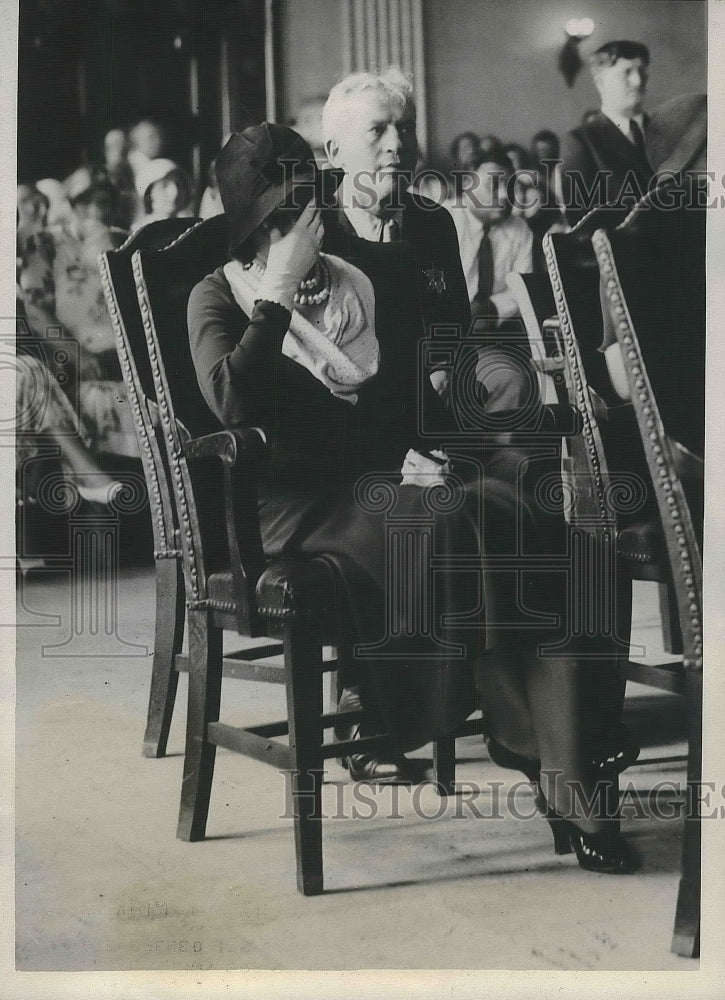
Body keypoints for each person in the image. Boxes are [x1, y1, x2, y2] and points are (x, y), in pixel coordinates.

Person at [188, 111, 633, 871]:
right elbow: (231, 404)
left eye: (310, 205)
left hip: (385, 484)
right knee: (451, 519)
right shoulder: (219, 297)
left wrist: (427, 450)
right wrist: (281, 293)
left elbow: (409, 404)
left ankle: (562, 759)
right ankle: (531, 743)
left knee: (536, 522)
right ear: (251, 232)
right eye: (283, 215)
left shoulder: (374, 277)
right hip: (295, 509)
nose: (306, 225)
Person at [445, 141, 538, 418]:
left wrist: (491, 307)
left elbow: (522, 289)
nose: (503, 195)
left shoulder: (520, 229)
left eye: (509, 187)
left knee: (513, 378)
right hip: (438, 335)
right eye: (493, 186)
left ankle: (496, 454)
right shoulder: (443, 219)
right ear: (467, 187)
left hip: (485, 337)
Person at [560, 40, 654, 226]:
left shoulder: (669, 129)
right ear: (600, 83)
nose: (637, 81)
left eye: (642, 71)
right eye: (626, 73)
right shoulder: (581, 141)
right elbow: (582, 223)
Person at [133, 158, 193, 231]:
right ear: (149, 195)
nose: (174, 192)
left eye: (179, 185)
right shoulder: (140, 232)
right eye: (164, 186)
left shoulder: (189, 228)